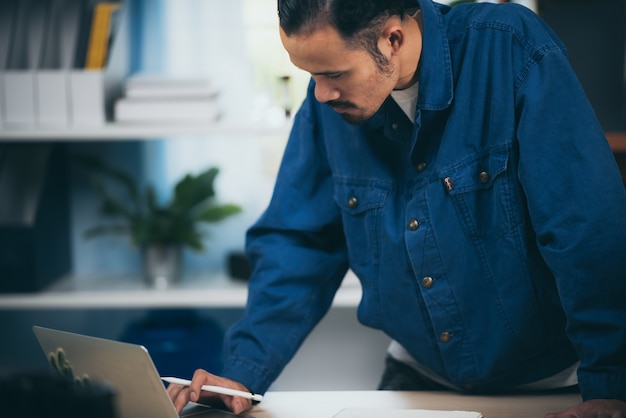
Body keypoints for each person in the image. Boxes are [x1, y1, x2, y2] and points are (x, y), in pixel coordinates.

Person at [168, 0, 626, 416]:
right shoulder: (328, 103)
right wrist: (243, 375)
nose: (321, 94)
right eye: (311, 75)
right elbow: (297, 246)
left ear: (393, 38)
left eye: (335, 74)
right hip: (417, 379)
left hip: (550, 386)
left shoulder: (511, 49)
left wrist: (610, 385)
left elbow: (585, 230)